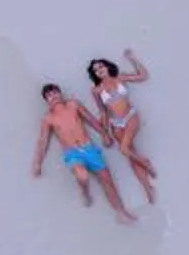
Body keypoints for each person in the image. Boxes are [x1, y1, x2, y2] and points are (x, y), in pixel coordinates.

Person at [31, 82, 137, 224]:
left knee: (108, 181)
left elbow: (91, 119)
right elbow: (43, 141)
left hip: (89, 149)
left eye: (55, 93)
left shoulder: (73, 104)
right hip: (72, 153)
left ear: (61, 94)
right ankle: (84, 191)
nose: (53, 96)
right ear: (46, 101)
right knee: (82, 176)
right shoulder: (48, 118)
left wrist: (104, 134)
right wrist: (38, 162)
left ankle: (121, 212)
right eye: (49, 96)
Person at [86, 49, 156, 203]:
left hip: (130, 117)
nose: (99, 70)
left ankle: (146, 163)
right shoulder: (96, 90)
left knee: (125, 150)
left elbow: (143, 76)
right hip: (115, 124)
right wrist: (105, 133)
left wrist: (133, 58)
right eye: (96, 70)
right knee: (131, 158)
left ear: (107, 67)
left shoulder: (120, 77)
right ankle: (147, 188)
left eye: (101, 67)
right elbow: (103, 112)